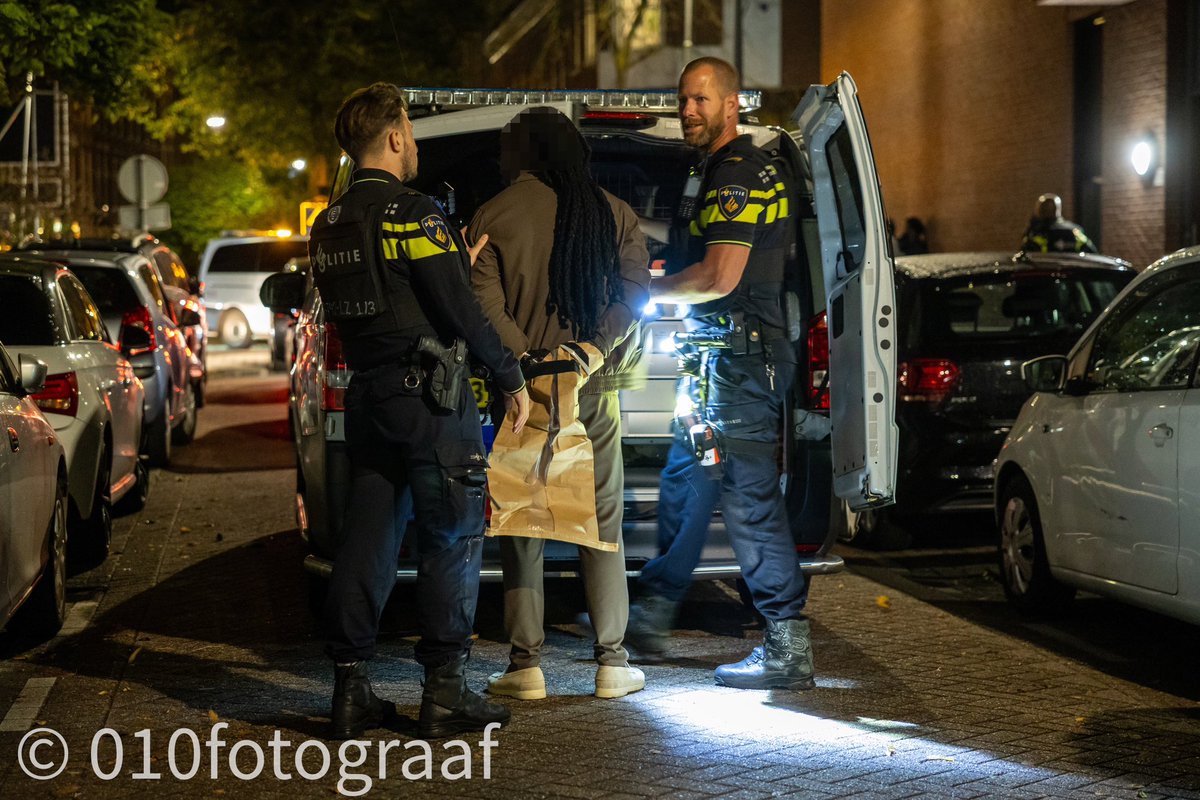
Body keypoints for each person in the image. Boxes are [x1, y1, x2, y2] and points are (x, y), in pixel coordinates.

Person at [309, 82, 531, 740]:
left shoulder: (329, 223)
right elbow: (458, 309)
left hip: (369, 398)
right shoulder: (413, 213)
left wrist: (446, 264)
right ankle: (445, 691)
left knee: (368, 539)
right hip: (431, 401)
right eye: (409, 132)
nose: (414, 146)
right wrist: (509, 375)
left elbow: (384, 296)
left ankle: (350, 688)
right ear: (394, 136)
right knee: (452, 538)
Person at [640, 56, 815, 690]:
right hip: (714, 361)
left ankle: (787, 646)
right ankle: (652, 612)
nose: (689, 110)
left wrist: (643, 292)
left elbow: (718, 276)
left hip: (741, 365)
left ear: (732, 103)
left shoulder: (738, 173)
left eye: (701, 99)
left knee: (749, 502)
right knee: (685, 482)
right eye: (683, 99)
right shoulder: (711, 171)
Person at [467, 107, 651, 701]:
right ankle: (612, 662)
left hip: (520, 392)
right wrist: (589, 352)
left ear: (519, 154)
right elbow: (634, 293)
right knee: (601, 521)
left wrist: (524, 363)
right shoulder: (613, 213)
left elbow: (483, 308)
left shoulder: (492, 216)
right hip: (591, 388)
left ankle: (525, 666)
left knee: (522, 522)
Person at [1021, 193, 1098, 254]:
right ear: (1058, 210)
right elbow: (1092, 253)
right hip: (1072, 269)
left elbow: (1025, 256)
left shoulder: (1035, 233)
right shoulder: (1075, 231)